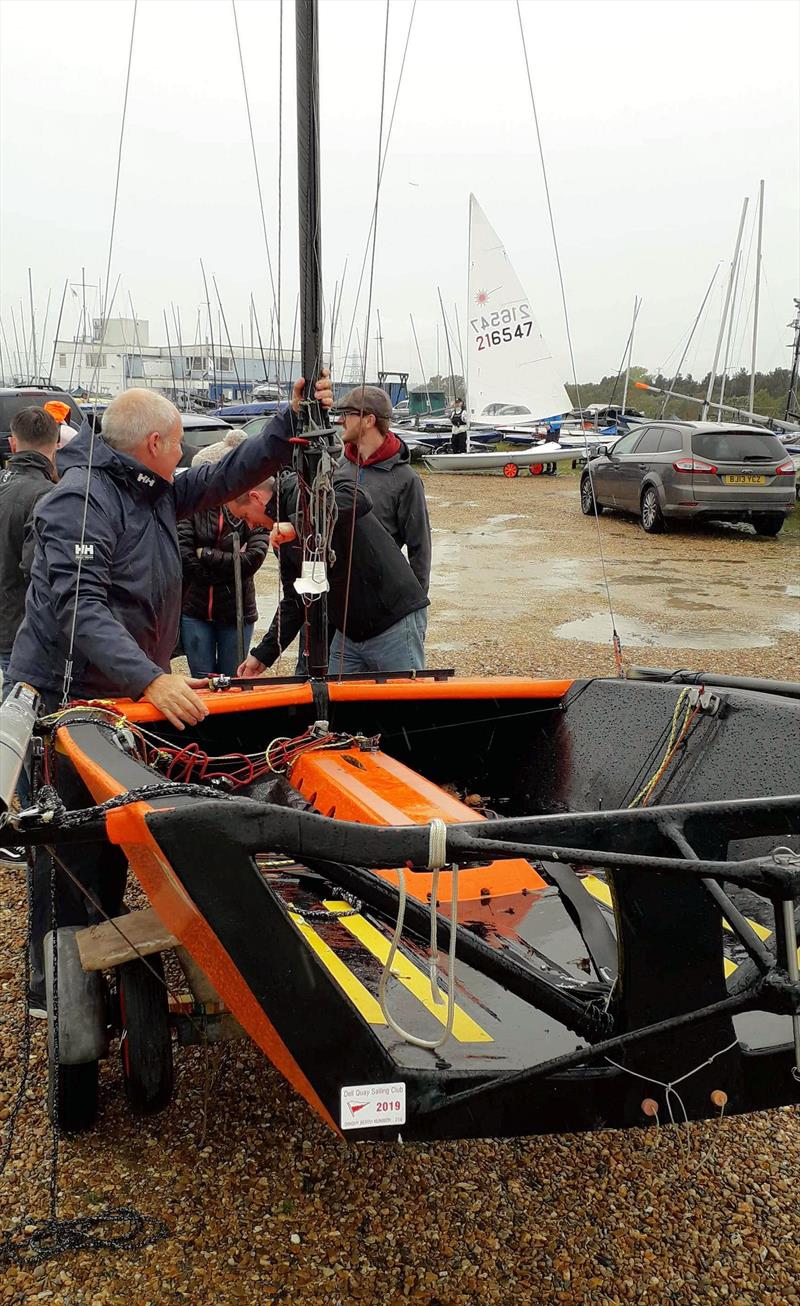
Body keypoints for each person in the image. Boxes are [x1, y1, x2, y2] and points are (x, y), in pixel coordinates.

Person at [8, 375, 331, 1014]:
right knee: (71, 845)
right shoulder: (81, 501)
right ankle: (57, 989)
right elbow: (81, 607)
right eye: (180, 442)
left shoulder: (150, 490)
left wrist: (287, 423)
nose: (186, 455)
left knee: (115, 833)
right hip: (72, 700)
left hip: (122, 699)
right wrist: (151, 678)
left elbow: (224, 476)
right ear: (153, 442)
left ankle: (100, 947)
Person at [228, 468, 429, 677]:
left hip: (392, 619)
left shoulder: (304, 489)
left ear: (256, 498)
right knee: (336, 704)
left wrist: (300, 525)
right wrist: (262, 655)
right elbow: (296, 598)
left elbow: (359, 498)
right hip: (348, 633)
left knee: (404, 704)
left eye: (245, 517)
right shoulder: (280, 536)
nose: (250, 526)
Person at [0, 407, 59, 857]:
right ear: (55, 446)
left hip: (4, 628)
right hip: (23, 636)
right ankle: (26, 822)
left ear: (13, 443)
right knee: (24, 734)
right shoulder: (46, 496)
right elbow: (37, 570)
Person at [178, 432, 270, 676]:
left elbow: (251, 560)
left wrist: (206, 555)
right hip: (196, 610)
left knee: (233, 680)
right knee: (201, 679)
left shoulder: (250, 511)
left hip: (237, 612)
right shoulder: (191, 508)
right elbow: (184, 555)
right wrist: (228, 567)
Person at [332, 385, 431, 594]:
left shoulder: (406, 479)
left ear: (369, 420)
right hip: (337, 598)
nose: (341, 421)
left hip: (381, 600)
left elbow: (420, 548)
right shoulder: (337, 470)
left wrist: (415, 608)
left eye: (347, 414)